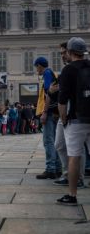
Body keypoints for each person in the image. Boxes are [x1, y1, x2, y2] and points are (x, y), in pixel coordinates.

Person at [56, 37, 90, 205]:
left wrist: (64, 120)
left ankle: (72, 195)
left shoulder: (68, 70)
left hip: (76, 119)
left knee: (74, 157)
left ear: (70, 52)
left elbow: (62, 101)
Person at [53, 42, 85, 188]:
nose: (62, 56)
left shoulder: (71, 69)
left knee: (77, 149)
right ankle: (69, 174)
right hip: (67, 114)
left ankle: (77, 178)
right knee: (59, 144)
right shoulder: (67, 69)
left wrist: (64, 117)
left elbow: (63, 96)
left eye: (63, 53)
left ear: (70, 52)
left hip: (72, 113)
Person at [34, 57, 62, 179]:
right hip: (55, 112)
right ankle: (57, 168)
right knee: (55, 141)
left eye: (36, 67)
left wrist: (44, 112)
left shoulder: (46, 74)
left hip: (50, 112)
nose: (36, 70)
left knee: (48, 141)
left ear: (40, 66)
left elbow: (48, 95)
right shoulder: (53, 73)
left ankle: (51, 169)